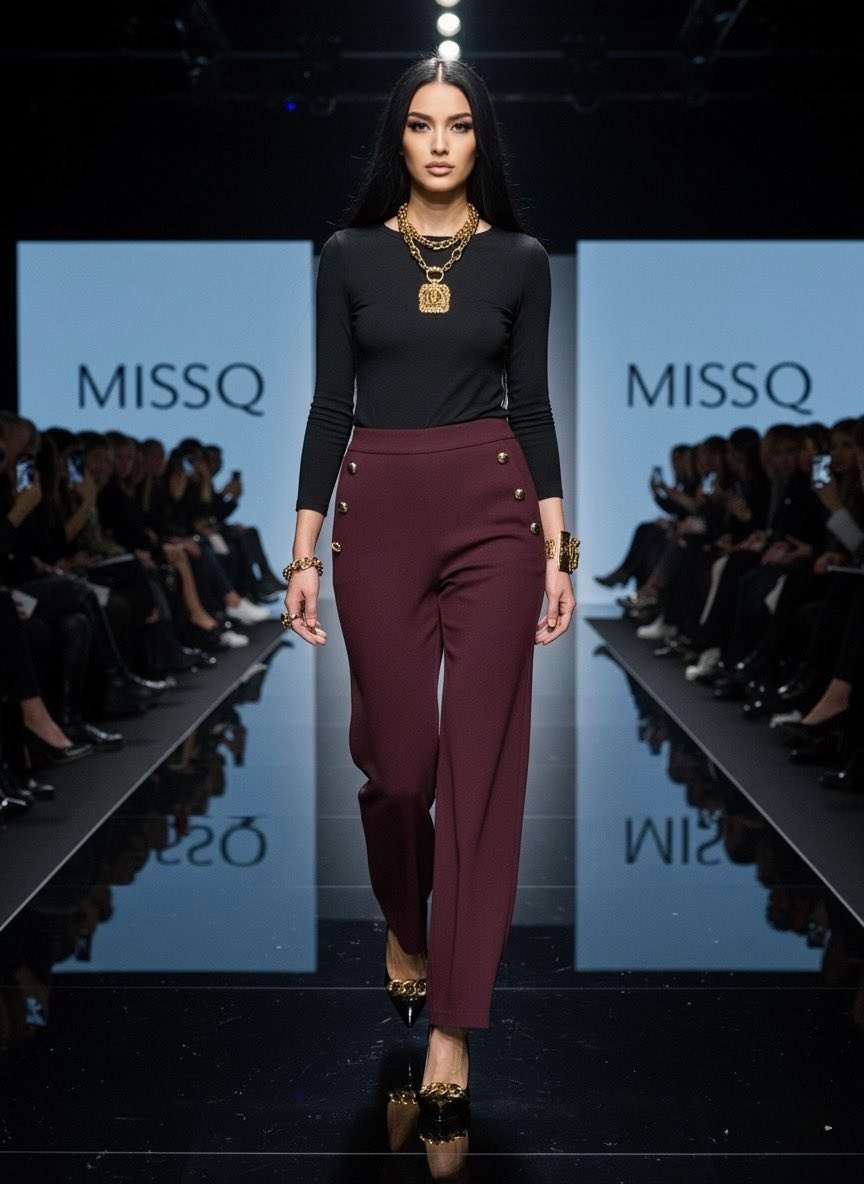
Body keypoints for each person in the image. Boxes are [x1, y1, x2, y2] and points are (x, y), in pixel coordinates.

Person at [283, 54, 578, 1123]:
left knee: (480, 766)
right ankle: (406, 923)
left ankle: (454, 1018)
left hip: (495, 513)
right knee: (399, 769)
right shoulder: (348, 255)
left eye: (458, 125)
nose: (441, 142)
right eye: (422, 124)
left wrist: (559, 549)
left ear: (480, 139)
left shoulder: (521, 261)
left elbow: (531, 405)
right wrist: (304, 552)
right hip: (379, 515)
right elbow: (330, 405)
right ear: (397, 138)